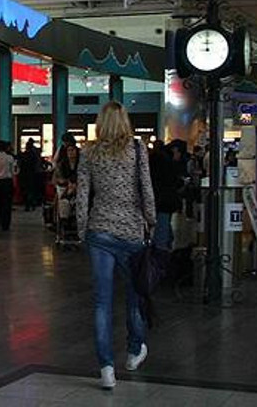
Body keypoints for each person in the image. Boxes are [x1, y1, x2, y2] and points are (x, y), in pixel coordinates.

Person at [76, 102, 156, 390]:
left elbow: (82, 194)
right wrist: (151, 219)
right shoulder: (137, 148)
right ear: (125, 121)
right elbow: (146, 187)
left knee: (102, 302)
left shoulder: (89, 151)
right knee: (134, 295)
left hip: (99, 231)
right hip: (132, 232)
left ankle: (106, 368)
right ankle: (134, 351)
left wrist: (82, 229)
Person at [150, 141, 186, 253]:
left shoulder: (155, 159)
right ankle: (161, 253)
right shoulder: (166, 162)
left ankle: (162, 248)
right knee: (163, 227)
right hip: (164, 200)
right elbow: (172, 180)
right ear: (175, 150)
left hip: (156, 198)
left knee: (162, 225)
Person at [16, 138, 43, 211]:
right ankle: (32, 204)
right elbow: (37, 164)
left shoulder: (22, 155)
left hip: (23, 175)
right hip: (32, 175)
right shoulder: (34, 155)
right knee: (32, 190)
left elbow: (19, 164)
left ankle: (27, 205)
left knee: (25, 190)